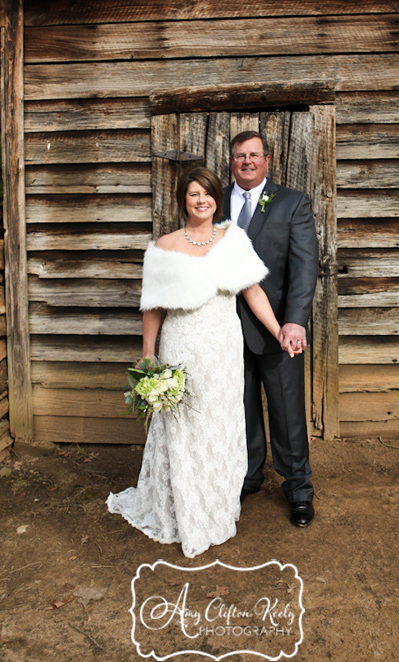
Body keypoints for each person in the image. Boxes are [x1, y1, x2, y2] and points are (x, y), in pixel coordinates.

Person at [106, 166, 294, 558]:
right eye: (193, 195)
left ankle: (217, 504)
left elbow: (254, 293)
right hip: (182, 345)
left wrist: (278, 330)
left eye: (207, 194)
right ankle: (185, 509)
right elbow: (153, 307)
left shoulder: (233, 240)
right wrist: (148, 353)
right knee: (184, 426)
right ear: (183, 200)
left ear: (216, 199)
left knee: (219, 423)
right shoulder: (164, 247)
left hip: (223, 347)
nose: (201, 200)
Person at [222, 131, 319, 528]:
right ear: (231, 162)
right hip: (225, 328)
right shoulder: (211, 200)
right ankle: (247, 478)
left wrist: (294, 320)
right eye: (240, 156)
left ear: (267, 160)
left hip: (276, 325)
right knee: (239, 409)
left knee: (287, 411)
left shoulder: (292, 202)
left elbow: (304, 266)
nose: (247, 161)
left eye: (254, 155)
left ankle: (298, 489)